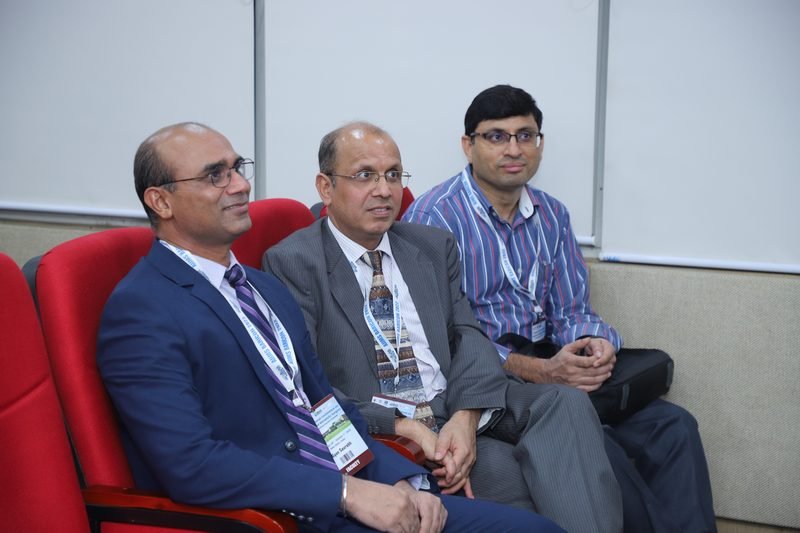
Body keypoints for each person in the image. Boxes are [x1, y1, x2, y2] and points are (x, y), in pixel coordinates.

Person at [96, 122, 561, 533]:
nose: (240, 185)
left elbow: (322, 406)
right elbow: (192, 465)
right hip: (271, 515)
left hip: (341, 490)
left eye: (238, 168)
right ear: (161, 201)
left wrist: (399, 481)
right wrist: (346, 494)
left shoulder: (260, 287)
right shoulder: (142, 311)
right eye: (215, 175)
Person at [264, 121, 624, 533]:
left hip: (455, 402)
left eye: (393, 175)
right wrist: (402, 425)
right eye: (365, 175)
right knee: (525, 479)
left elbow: (468, 335)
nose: (384, 190)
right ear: (326, 187)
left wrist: (466, 415)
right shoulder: (294, 262)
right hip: (389, 424)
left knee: (566, 403)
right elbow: (306, 385)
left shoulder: (431, 245)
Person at [403, 84, 717, 532]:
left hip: (558, 369)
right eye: (496, 137)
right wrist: (540, 372)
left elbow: (572, 310)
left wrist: (594, 343)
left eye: (525, 135)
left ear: (540, 143)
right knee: (596, 446)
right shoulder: (434, 219)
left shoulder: (552, 215)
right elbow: (441, 338)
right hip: (492, 380)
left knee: (675, 426)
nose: (514, 149)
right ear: (468, 146)